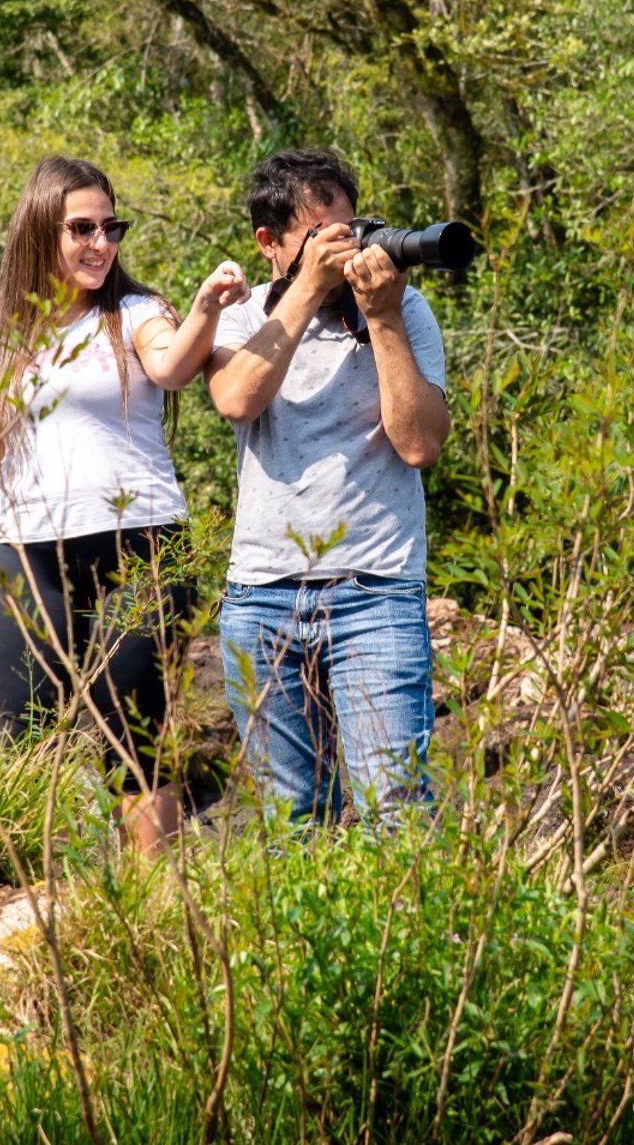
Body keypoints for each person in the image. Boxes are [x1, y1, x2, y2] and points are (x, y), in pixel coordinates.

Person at [0, 155, 249, 854]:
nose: (100, 244)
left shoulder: (138, 312)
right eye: (80, 228)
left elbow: (173, 366)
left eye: (110, 227)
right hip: (28, 557)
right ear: (39, 231)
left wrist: (206, 306)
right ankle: (29, 920)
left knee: (136, 740)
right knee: (27, 742)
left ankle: (154, 915)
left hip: (140, 549)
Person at [204, 148, 450, 824]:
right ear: (269, 243)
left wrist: (385, 319)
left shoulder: (405, 311)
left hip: (376, 588)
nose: (343, 251)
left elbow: (419, 443)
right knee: (290, 823)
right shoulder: (242, 314)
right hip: (263, 593)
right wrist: (307, 289)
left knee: (396, 816)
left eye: (351, 229)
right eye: (320, 238)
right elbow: (236, 398)